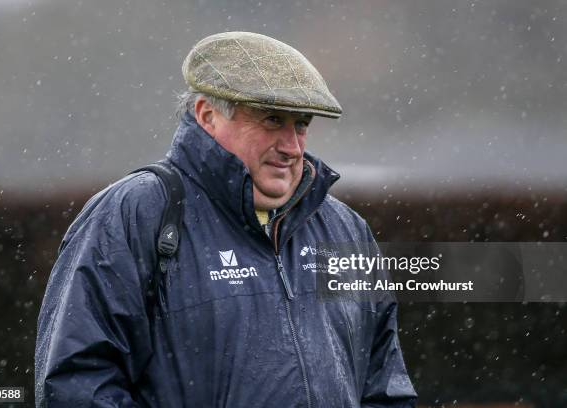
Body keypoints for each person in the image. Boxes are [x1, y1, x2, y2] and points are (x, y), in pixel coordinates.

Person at [35, 31, 417, 407]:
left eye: (301, 124)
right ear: (207, 116)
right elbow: (78, 385)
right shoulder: (134, 214)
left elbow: (384, 386)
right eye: (271, 120)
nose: (292, 146)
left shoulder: (344, 229)